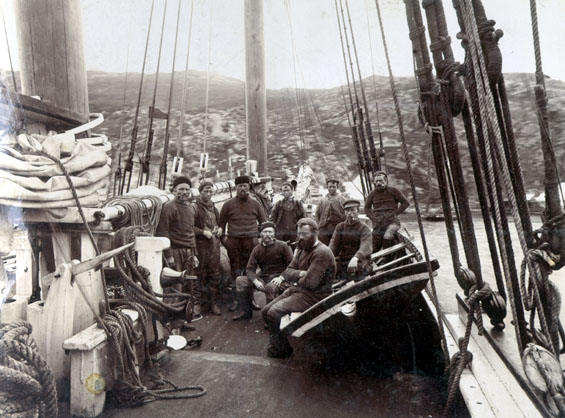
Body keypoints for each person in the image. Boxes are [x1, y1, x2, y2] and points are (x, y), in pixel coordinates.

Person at [262, 218, 336, 358]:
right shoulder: (302, 248)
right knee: (265, 311)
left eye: (305, 234)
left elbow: (311, 283)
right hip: (300, 290)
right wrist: (302, 273)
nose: (300, 238)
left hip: (316, 295)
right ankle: (280, 343)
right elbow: (288, 271)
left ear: (316, 233)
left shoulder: (321, 252)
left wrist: (297, 277)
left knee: (274, 312)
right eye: (299, 234)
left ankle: (283, 348)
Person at [219, 175, 267, 311]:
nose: (242, 188)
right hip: (233, 241)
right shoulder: (228, 204)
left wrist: (259, 239)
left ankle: (250, 299)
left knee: (249, 270)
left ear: (249, 187)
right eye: (240, 186)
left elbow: (264, 222)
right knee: (235, 270)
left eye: (245, 186)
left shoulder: (256, 204)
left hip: (251, 241)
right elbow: (221, 224)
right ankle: (237, 301)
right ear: (236, 187)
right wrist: (224, 241)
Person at [155, 176, 199, 315]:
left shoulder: (191, 208)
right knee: (177, 287)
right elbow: (163, 231)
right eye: (181, 189)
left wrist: (195, 254)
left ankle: (185, 317)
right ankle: (176, 323)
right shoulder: (169, 207)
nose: (184, 192)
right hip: (176, 252)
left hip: (189, 253)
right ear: (174, 191)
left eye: (187, 189)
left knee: (189, 286)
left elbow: (191, 232)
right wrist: (169, 255)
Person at [232, 222, 293, 320]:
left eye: (270, 232)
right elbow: (250, 269)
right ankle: (246, 312)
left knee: (270, 287)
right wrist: (255, 281)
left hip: (281, 279)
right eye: (265, 232)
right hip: (264, 278)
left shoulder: (283, 246)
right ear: (260, 234)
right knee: (240, 280)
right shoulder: (257, 249)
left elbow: (292, 266)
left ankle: (270, 317)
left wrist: (281, 277)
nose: (268, 234)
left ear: (274, 234)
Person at [193, 181, 222, 316]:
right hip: (201, 246)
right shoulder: (194, 207)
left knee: (214, 273)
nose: (209, 194)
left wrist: (220, 229)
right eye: (206, 191)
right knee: (198, 273)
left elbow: (219, 223)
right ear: (200, 192)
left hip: (214, 246)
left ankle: (213, 302)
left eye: (211, 191)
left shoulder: (213, 207)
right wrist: (203, 232)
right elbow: (189, 227)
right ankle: (197, 303)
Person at [329, 199, 373, 286]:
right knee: (327, 268)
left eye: (352, 210)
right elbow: (333, 245)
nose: (349, 213)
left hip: (360, 261)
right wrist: (326, 255)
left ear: (358, 212)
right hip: (344, 260)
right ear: (344, 212)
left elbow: (366, 246)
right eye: (347, 210)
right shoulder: (340, 227)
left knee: (360, 271)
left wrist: (356, 258)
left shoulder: (364, 228)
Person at [364, 171, 410, 252]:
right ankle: (377, 260)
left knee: (387, 237)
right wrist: (373, 218)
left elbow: (405, 203)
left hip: (392, 222)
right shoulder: (372, 194)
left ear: (386, 181)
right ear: (374, 182)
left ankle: (386, 257)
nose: (378, 183)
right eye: (376, 181)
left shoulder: (394, 191)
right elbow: (366, 208)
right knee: (373, 244)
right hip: (378, 224)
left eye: (381, 181)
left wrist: (395, 213)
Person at [315, 179, 346, 245]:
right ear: (327, 187)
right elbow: (317, 213)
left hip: (337, 228)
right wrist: (318, 225)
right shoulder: (322, 200)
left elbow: (346, 213)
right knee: (324, 246)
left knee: (336, 245)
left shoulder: (342, 199)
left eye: (334, 187)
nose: (331, 189)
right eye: (330, 187)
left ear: (337, 187)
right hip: (324, 228)